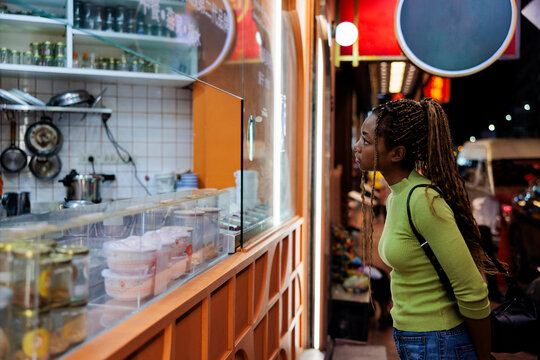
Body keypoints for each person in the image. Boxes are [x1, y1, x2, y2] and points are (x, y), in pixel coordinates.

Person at [353, 98, 494, 360]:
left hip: (439, 341)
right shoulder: (396, 194)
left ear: (397, 153)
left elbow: (473, 290)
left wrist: (483, 356)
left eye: (367, 141)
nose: (357, 147)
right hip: (416, 338)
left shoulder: (423, 200)